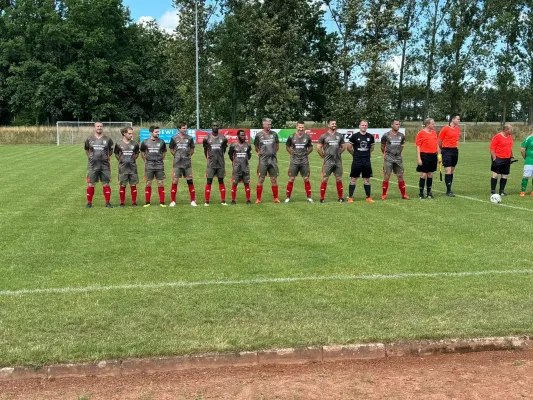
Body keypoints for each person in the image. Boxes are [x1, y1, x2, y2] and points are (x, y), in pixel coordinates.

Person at [84, 122, 114, 208]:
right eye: (97, 126)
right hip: (93, 165)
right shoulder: (89, 139)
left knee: (106, 184)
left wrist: (105, 157)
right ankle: (89, 203)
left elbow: (110, 151)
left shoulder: (108, 139)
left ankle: (108, 202)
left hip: (105, 166)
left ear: (103, 127)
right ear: (94, 127)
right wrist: (91, 157)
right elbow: (86, 150)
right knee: (91, 184)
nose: (99, 128)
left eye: (100, 126)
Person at [169, 122, 197, 207]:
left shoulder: (190, 138)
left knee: (190, 180)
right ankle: (173, 201)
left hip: (187, 163)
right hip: (177, 163)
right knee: (175, 180)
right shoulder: (174, 138)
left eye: (186, 128)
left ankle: (193, 201)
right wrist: (177, 156)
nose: (185, 129)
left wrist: (187, 156)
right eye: (183, 128)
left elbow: (192, 149)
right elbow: (171, 149)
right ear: (179, 128)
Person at [284, 121, 313, 203]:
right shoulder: (291, 136)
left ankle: (309, 197)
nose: (301, 129)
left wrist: (306, 154)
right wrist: (292, 153)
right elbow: (287, 146)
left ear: (304, 128)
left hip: (304, 161)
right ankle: (288, 198)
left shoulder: (307, 137)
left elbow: (311, 148)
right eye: (299, 127)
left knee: (306, 179)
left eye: (302, 127)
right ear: (296, 127)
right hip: (294, 161)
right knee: (291, 178)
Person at [317, 120, 345, 203]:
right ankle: (322, 198)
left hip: (338, 161)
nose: (334, 125)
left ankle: (340, 197)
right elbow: (318, 148)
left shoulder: (339, 135)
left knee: (339, 179)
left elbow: (343, 147)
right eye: (332, 124)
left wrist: (338, 153)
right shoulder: (324, 136)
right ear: (328, 125)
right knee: (325, 179)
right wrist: (324, 156)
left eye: (335, 124)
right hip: (328, 162)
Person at [380, 120, 409, 200]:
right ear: (392, 125)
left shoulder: (401, 135)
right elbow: (382, 146)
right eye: (396, 124)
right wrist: (386, 154)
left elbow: (402, 146)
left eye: (399, 124)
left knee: (400, 175)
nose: (398, 125)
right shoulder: (386, 135)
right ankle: (384, 194)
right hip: (389, 157)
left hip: (398, 158)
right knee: (387, 175)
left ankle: (404, 195)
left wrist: (398, 153)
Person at [347, 120, 375, 203]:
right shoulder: (354, 136)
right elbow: (349, 147)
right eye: (362, 125)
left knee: (367, 179)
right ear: (359, 126)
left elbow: (372, 147)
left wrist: (367, 153)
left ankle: (368, 197)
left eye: (365, 125)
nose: (364, 126)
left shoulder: (370, 136)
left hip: (366, 161)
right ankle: (350, 197)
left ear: (367, 126)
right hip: (357, 161)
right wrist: (354, 154)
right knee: (353, 178)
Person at [254, 118, 280, 204]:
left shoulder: (274, 134)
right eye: (268, 124)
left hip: (272, 161)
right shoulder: (258, 135)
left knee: (274, 179)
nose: (269, 126)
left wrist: (272, 153)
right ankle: (258, 199)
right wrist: (260, 153)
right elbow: (256, 147)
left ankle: (276, 198)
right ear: (263, 125)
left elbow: (277, 147)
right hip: (263, 161)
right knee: (261, 179)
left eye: (270, 124)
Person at [140, 125, 167, 207]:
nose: (158, 133)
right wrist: (145, 160)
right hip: (149, 166)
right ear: (151, 132)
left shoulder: (162, 142)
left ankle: (162, 202)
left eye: (158, 132)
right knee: (148, 183)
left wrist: (160, 160)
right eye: (156, 132)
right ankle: (147, 202)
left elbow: (164, 153)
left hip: (159, 166)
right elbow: (142, 152)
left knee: (160, 183)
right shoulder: (145, 142)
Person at [203, 122, 229, 206]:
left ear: (219, 127)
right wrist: (209, 158)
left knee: (221, 180)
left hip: (220, 163)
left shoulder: (223, 138)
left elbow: (224, 150)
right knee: (209, 180)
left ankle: (223, 201)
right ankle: (207, 201)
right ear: (211, 127)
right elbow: (205, 151)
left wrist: (220, 157)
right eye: (213, 125)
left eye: (216, 126)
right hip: (211, 163)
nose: (215, 127)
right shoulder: (206, 138)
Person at [114, 126, 140, 207]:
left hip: (132, 167)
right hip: (123, 168)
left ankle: (134, 202)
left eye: (132, 133)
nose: (131, 135)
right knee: (122, 185)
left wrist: (131, 160)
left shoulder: (135, 143)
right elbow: (116, 154)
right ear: (124, 133)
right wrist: (122, 160)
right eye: (129, 133)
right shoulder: (118, 144)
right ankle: (122, 203)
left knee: (133, 185)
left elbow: (136, 154)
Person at [415, 118, 440, 199]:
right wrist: (419, 158)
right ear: (427, 124)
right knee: (423, 174)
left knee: (430, 174)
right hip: (424, 155)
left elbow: (436, 145)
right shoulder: (421, 133)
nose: (434, 125)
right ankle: (421, 193)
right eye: (432, 123)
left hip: (433, 155)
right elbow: (418, 146)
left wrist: (439, 156)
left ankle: (429, 192)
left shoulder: (434, 133)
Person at [438, 114, 461, 196]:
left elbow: (457, 139)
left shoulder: (458, 129)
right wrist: (441, 152)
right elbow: (439, 141)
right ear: (453, 119)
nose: (459, 120)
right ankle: (448, 190)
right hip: (446, 150)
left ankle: (449, 188)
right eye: (458, 119)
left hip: (455, 150)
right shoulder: (445, 129)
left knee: (452, 170)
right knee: (448, 170)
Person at [228, 130, 252, 205]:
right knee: (234, 183)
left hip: (245, 168)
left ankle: (248, 200)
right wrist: (235, 162)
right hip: (236, 168)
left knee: (246, 183)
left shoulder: (248, 145)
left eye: (244, 135)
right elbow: (230, 155)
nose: (243, 137)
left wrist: (244, 161)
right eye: (242, 135)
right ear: (238, 136)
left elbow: (249, 156)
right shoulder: (233, 145)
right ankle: (233, 200)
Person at [490, 124, 514, 196]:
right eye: (511, 129)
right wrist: (494, 159)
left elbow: (510, 147)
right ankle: (493, 191)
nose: (512, 130)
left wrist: (511, 157)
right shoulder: (497, 137)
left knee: (505, 175)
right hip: (498, 158)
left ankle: (502, 191)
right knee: (495, 174)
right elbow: (492, 149)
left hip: (507, 158)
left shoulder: (510, 137)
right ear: (506, 130)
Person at [520, 128, 533, 197]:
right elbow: (522, 150)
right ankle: (523, 191)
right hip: (529, 161)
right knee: (526, 176)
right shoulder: (528, 138)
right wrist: (526, 157)